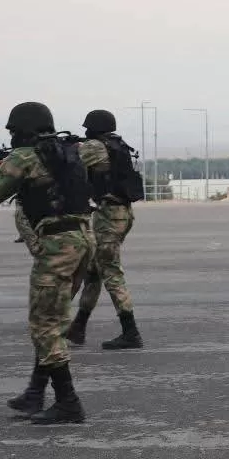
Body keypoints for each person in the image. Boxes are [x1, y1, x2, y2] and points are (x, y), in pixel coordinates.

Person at [0, 102, 95, 424]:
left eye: (13, 130)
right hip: (81, 239)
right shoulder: (67, 152)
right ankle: (35, 392)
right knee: (51, 320)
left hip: (57, 246)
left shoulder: (24, 157)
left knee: (45, 324)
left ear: (21, 129)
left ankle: (68, 403)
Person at [68, 110, 145, 350]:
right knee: (93, 272)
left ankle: (130, 332)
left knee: (110, 271)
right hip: (119, 213)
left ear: (94, 127)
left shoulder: (96, 146)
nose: (86, 131)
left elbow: (69, 162)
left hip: (109, 216)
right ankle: (78, 326)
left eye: (88, 128)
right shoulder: (117, 144)